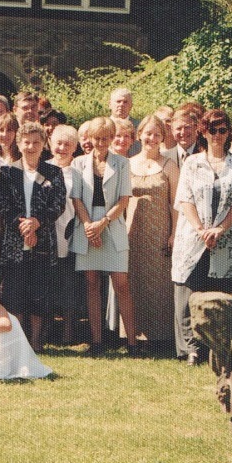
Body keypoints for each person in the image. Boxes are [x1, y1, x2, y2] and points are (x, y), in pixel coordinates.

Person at [172, 109, 232, 364]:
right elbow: (184, 198)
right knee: (188, 290)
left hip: (224, 238)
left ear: (229, 133)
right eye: (212, 130)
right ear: (203, 132)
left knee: (219, 292)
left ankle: (216, 347)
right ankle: (190, 349)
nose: (217, 135)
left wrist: (220, 229)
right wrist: (201, 229)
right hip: (193, 236)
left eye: (222, 130)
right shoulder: (192, 162)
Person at [0, 123, 65, 352]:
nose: (31, 146)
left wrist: (37, 223)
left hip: (42, 240)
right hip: (14, 242)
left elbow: (59, 204)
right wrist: (22, 226)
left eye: (36, 142)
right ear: (18, 143)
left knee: (39, 292)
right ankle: (17, 342)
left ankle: (35, 343)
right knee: (14, 292)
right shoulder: (7, 172)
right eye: (26, 142)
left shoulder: (53, 172)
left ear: (44, 144)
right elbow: (2, 204)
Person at [69, 117, 136, 354]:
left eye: (106, 138)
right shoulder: (78, 163)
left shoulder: (122, 163)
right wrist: (89, 225)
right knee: (91, 284)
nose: (101, 143)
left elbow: (124, 199)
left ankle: (132, 343)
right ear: (89, 138)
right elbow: (76, 198)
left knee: (122, 284)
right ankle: (96, 342)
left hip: (112, 224)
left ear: (111, 138)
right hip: (86, 225)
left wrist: (103, 223)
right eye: (97, 138)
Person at [123, 115, 179, 349]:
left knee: (158, 282)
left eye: (157, 134)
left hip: (159, 229)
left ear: (163, 137)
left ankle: (160, 336)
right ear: (139, 135)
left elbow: (176, 203)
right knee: (133, 280)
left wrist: (174, 233)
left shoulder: (169, 166)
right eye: (148, 133)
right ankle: (134, 335)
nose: (152, 138)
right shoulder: (127, 163)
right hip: (132, 230)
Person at [47, 124, 84, 344]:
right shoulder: (43, 169)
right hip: (47, 233)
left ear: (75, 147)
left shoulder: (78, 172)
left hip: (71, 233)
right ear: (51, 144)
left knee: (69, 284)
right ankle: (48, 329)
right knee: (48, 284)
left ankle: (70, 331)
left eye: (67, 144)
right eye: (58, 143)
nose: (62, 148)